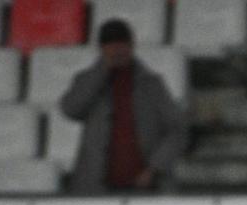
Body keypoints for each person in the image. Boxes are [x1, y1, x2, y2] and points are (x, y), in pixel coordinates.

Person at [60, 18, 186, 194]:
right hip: (97, 188)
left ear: (132, 45)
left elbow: (177, 130)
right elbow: (70, 109)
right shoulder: (87, 80)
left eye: (122, 46)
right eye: (112, 47)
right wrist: (101, 71)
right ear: (101, 49)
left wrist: (154, 168)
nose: (118, 52)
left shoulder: (151, 84)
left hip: (147, 187)